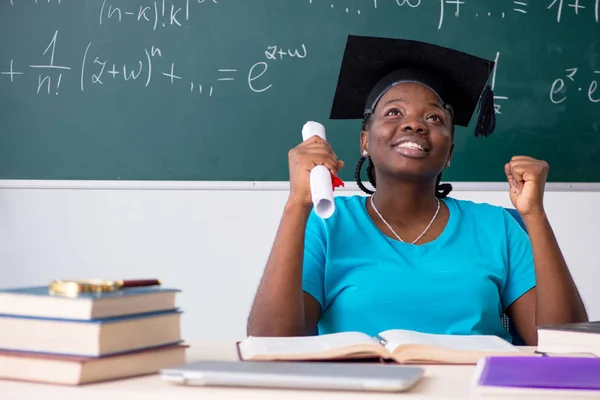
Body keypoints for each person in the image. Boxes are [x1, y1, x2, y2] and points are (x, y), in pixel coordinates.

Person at [246, 35, 588, 345]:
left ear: (450, 151)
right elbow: (272, 342)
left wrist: (535, 215)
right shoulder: (327, 223)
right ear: (365, 140)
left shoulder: (497, 227)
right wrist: (297, 204)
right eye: (394, 112)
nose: (414, 124)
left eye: (435, 118)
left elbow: (565, 346)